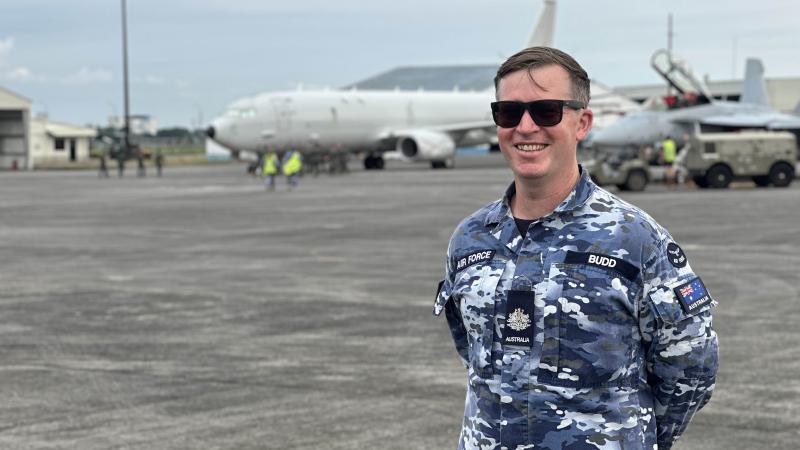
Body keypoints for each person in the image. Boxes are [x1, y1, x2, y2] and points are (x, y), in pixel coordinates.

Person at [434, 47, 718, 450]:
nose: (525, 127)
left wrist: (635, 436)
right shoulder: (471, 238)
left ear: (582, 122)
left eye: (546, 111)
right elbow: (473, 353)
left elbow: (691, 365)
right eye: (509, 113)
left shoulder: (635, 238)